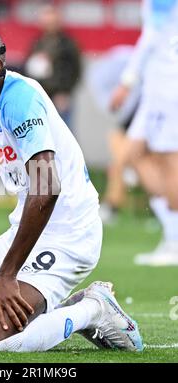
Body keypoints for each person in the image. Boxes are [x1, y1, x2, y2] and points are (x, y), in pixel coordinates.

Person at [0, 21, 143, 352]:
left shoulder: (21, 99)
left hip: (69, 233)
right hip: (27, 227)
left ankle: (93, 309)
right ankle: (32, 312)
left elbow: (47, 187)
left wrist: (6, 275)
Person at [110, 0, 178, 266]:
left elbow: (152, 36)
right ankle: (171, 231)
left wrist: (127, 82)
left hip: (167, 86)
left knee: (171, 160)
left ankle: (175, 241)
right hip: (155, 90)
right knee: (132, 154)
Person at [87, 45, 141, 224]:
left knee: (121, 160)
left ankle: (130, 169)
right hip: (132, 125)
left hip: (146, 126)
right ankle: (127, 172)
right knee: (118, 158)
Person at [24, 4, 82, 129]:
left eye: (52, 22)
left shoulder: (68, 44)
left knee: (63, 133)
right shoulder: (38, 43)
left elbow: (76, 70)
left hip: (60, 96)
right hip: (40, 94)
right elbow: (27, 66)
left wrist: (65, 92)